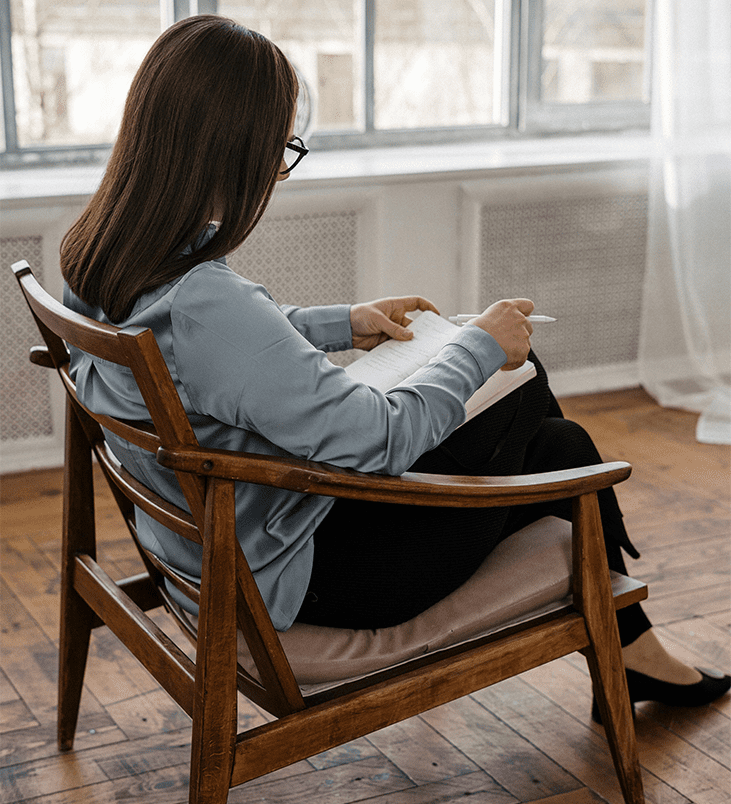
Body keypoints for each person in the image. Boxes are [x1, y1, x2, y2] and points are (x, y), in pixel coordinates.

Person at [60, 15, 728, 718]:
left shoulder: (101, 249)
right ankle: (627, 639)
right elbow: (373, 440)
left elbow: (202, 354)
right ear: (231, 151)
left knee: (556, 446)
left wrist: (340, 323)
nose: (277, 173)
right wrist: (477, 348)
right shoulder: (206, 300)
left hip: (236, 543)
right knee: (533, 392)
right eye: (279, 149)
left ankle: (631, 648)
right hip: (311, 576)